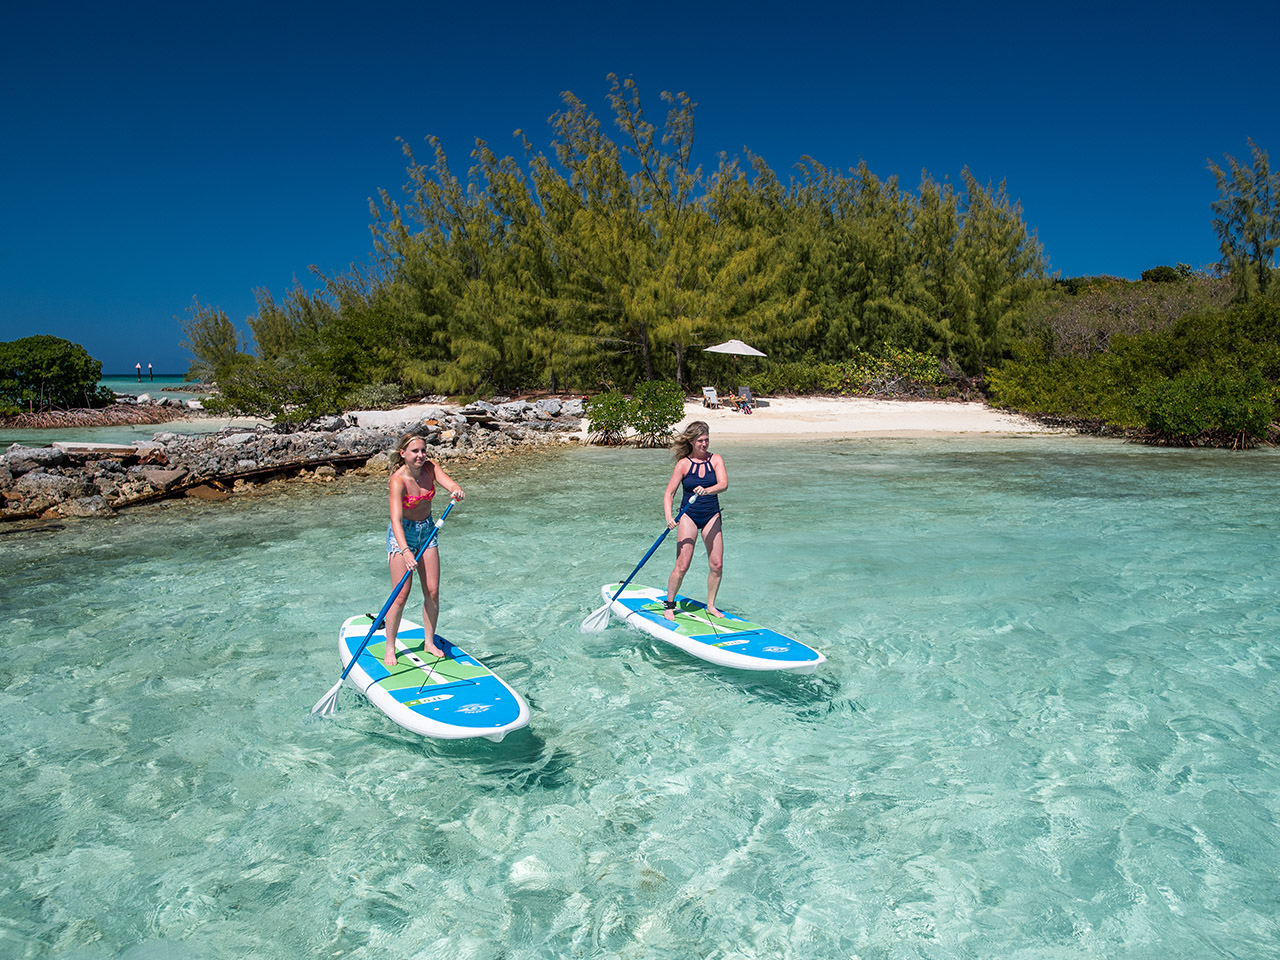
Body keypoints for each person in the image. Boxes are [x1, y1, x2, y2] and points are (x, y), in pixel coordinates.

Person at [384, 432, 465, 667]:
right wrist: (406, 551)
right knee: (400, 595)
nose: (420, 455)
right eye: (415, 451)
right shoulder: (397, 481)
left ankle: (429, 642)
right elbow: (396, 521)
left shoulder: (430, 468)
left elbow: (450, 483)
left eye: (423, 450)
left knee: (432, 591)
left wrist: (456, 490)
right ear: (403, 454)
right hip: (403, 536)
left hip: (428, 532)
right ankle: (390, 646)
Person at [662, 420, 728, 621]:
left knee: (717, 564)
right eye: (700, 440)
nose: (704, 444)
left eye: (706, 439)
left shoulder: (715, 459)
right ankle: (670, 604)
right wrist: (669, 518)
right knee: (682, 564)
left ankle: (710, 606)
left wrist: (707, 490)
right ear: (691, 441)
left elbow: (724, 484)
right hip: (688, 516)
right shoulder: (683, 464)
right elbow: (669, 493)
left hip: (711, 515)